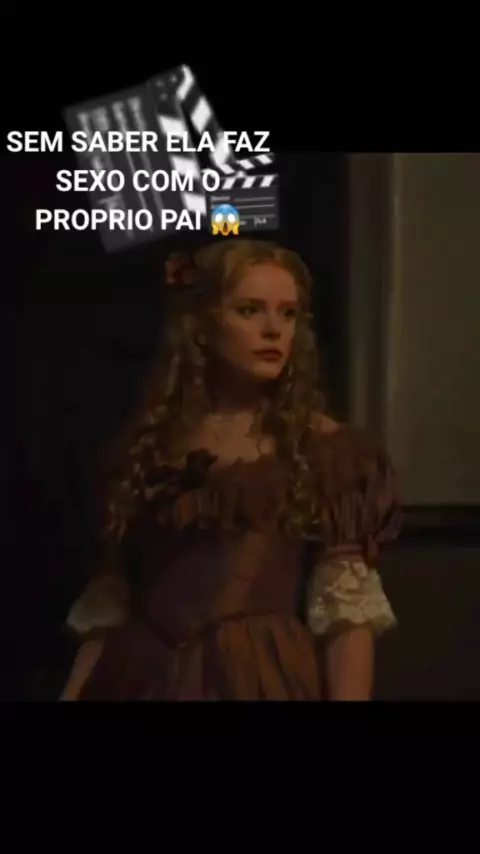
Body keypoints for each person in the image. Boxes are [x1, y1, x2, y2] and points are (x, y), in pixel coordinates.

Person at [61, 238, 401, 701]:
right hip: (141, 677)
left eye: (287, 314)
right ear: (202, 324)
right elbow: (109, 610)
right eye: (249, 310)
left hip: (257, 675)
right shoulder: (148, 449)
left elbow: (347, 622)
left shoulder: (324, 451)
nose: (273, 330)